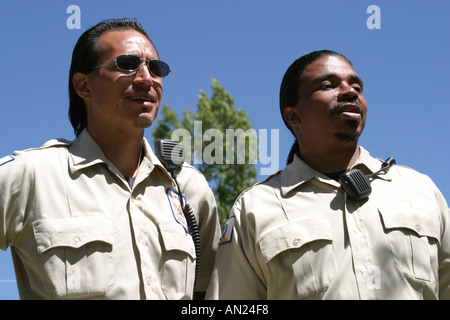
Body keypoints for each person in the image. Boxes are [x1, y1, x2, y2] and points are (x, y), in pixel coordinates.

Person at [0, 18, 220, 300]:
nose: (146, 78)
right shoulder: (32, 175)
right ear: (83, 86)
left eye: (156, 68)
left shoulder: (188, 187)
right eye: (127, 64)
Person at [206, 50, 450, 299]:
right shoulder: (255, 208)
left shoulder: (420, 190)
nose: (350, 92)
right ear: (293, 116)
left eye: (356, 86)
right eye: (328, 85)